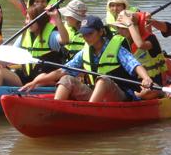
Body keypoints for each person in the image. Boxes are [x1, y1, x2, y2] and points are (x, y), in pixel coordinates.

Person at [20, 15, 155, 102]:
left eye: (90, 33)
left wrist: (146, 78)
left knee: (103, 80)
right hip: (96, 96)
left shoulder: (116, 48)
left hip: (119, 96)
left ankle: (90, 111)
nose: (86, 37)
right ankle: (56, 109)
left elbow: (134, 64)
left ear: (101, 32)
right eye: (83, 34)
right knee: (66, 78)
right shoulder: (84, 52)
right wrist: (36, 82)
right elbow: (62, 71)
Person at [0, 4, 69, 86]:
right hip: (26, 78)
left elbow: (65, 40)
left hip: (44, 80)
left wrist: (57, 19)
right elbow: (10, 59)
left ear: (41, 20)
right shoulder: (24, 36)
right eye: (27, 18)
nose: (28, 22)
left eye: (32, 19)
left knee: (41, 79)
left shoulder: (51, 35)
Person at [112, 10, 167, 89]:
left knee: (146, 92)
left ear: (135, 27)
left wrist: (129, 23)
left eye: (123, 28)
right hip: (134, 82)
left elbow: (140, 45)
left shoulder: (151, 39)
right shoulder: (123, 42)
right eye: (118, 28)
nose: (119, 31)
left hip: (153, 83)